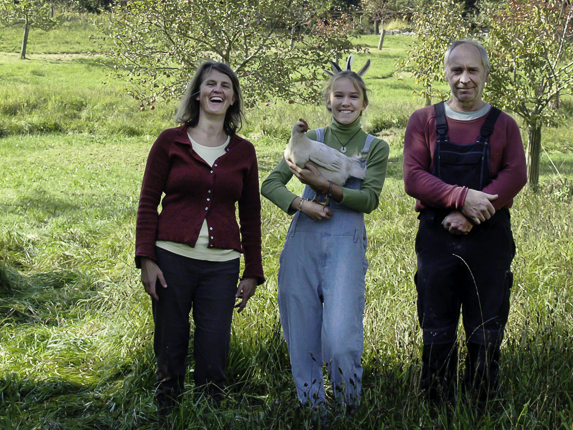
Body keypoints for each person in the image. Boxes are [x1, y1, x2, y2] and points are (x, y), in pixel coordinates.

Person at [261, 57, 389, 413]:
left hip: (346, 242)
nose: (345, 102)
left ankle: (349, 407)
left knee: (341, 336)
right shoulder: (309, 139)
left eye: (353, 96)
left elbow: (369, 200)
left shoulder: (374, 147)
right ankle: (312, 407)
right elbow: (270, 184)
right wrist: (304, 205)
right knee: (301, 329)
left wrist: (324, 186)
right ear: (327, 102)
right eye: (338, 96)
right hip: (303, 239)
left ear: (364, 103)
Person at [135, 60, 264, 412]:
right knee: (170, 345)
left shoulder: (244, 152)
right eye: (210, 84)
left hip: (221, 266)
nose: (217, 90)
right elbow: (148, 202)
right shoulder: (170, 142)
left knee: (213, 350)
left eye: (225, 85)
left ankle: (209, 417)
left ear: (234, 98)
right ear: (198, 93)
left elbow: (250, 214)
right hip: (171, 260)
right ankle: (168, 415)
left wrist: (253, 271)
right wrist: (146, 259)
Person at [403, 39, 527, 403]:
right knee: (437, 324)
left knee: (485, 327)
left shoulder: (504, 125)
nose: (464, 79)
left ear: (486, 74)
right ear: (445, 73)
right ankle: (437, 404)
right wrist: (462, 198)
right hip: (436, 238)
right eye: (456, 70)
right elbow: (414, 177)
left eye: (473, 70)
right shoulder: (423, 121)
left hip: (489, 239)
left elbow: (515, 175)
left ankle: (481, 405)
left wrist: (472, 213)